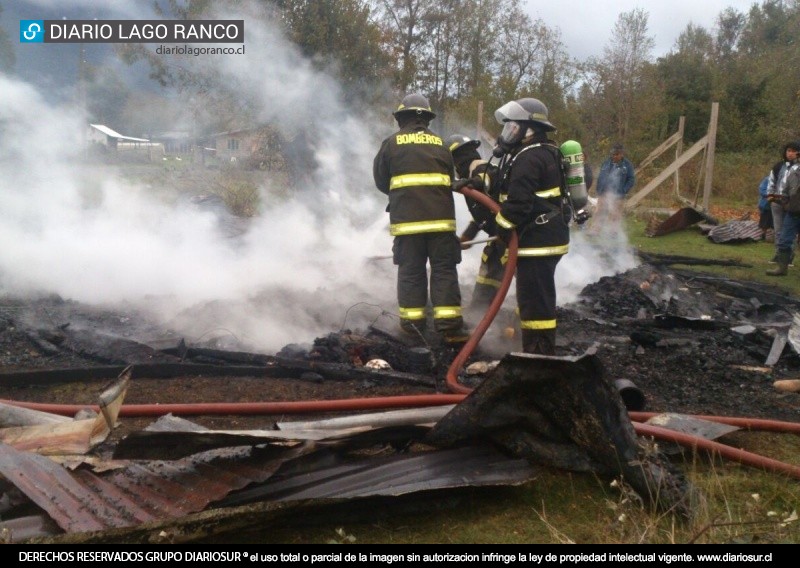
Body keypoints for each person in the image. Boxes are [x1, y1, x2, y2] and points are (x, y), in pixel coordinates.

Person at [373, 94, 467, 344]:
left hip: (407, 224)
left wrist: (403, 195)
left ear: (401, 119)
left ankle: (413, 329)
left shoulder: (391, 143)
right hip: (441, 225)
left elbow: (381, 181)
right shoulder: (441, 144)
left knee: (411, 272)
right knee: (444, 271)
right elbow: (449, 177)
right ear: (426, 119)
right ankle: (449, 328)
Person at [491, 97, 570, 355]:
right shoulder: (546, 151)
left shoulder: (528, 158)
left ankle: (539, 355)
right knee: (534, 297)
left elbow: (519, 204)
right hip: (546, 237)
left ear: (530, 129)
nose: (508, 133)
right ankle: (529, 346)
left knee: (536, 303)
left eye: (514, 127)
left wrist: (501, 227)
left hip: (538, 240)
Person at [445, 134, 505, 317]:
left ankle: (523, 326)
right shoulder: (469, 175)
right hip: (500, 235)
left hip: (513, 236)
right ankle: (479, 313)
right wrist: (468, 237)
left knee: (525, 280)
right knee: (488, 272)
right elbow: (483, 213)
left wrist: (474, 183)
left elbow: (487, 178)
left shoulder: (479, 170)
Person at [766, 142, 800, 276]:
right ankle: (782, 268)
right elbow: (785, 190)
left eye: (795, 152)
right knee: (784, 238)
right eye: (790, 151)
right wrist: (779, 200)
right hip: (793, 210)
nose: (792, 154)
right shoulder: (790, 170)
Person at [591, 143, 635, 233]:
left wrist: (624, 190)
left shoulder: (627, 165)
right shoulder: (606, 162)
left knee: (615, 213)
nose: (614, 156)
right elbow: (600, 176)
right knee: (599, 212)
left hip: (618, 195)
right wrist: (599, 189)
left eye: (616, 154)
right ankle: (595, 230)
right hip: (604, 192)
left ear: (621, 154)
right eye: (613, 154)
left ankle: (612, 232)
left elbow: (631, 179)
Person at [757, 174, 773, 241]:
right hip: (766, 205)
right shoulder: (768, 179)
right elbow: (762, 190)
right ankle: (763, 234)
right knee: (764, 221)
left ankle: (774, 236)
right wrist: (771, 195)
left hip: (778, 205)